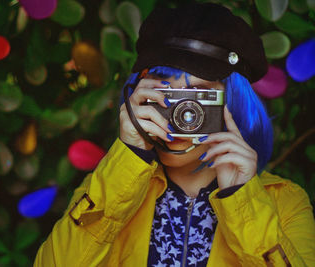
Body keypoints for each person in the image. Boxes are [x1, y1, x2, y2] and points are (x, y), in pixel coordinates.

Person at [34, 2, 315, 266]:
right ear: (138, 96)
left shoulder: (285, 202)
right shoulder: (107, 186)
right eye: (165, 90)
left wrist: (242, 199)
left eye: (198, 95)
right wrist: (128, 158)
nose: (182, 111)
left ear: (234, 104)